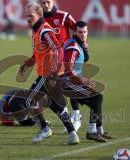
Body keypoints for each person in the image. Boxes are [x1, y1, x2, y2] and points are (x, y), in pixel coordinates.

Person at [19, 3, 79, 145]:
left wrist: (54, 68)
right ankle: (72, 134)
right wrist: (27, 64)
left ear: (39, 15)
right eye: (26, 16)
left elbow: (58, 48)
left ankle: (45, 129)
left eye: (31, 16)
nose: (28, 18)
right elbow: (37, 53)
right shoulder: (36, 30)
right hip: (46, 74)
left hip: (48, 75)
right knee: (55, 105)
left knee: (29, 101)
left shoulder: (44, 30)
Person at [62, 21, 113, 142]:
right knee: (97, 98)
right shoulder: (73, 47)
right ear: (74, 32)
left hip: (71, 81)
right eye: (80, 32)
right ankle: (92, 131)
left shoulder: (80, 44)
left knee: (96, 98)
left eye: (85, 32)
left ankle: (99, 130)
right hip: (67, 82)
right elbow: (68, 69)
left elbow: (78, 64)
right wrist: (83, 80)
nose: (83, 34)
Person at [40, 0, 85, 132]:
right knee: (56, 90)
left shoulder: (63, 16)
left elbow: (79, 30)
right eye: (42, 2)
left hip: (68, 57)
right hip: (51, 61)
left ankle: (76, 116)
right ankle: (68, 118)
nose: (46, 5)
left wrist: (84, 49)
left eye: (48, 1)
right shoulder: (40, 20)